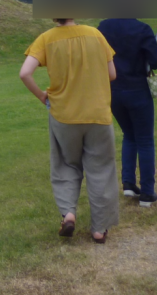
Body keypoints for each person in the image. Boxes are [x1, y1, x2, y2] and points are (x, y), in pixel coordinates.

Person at [20, 19, 118, 243]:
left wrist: (41, 95)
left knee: (65, 164)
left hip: (63, 115)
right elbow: (112, 74)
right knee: (101, 169)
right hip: (97, 113)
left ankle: (69, 213)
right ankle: (99, 229)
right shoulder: (96, 34)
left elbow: (25, 73)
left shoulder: (46, 38)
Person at [98, 18, 157, 207]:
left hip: (113, 89)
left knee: (129, 135)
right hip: (137, 89)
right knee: (145, 140)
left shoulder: (103, 27)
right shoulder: (142, 28)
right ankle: (147, 191)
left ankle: (128, 182)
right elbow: (156, 61)